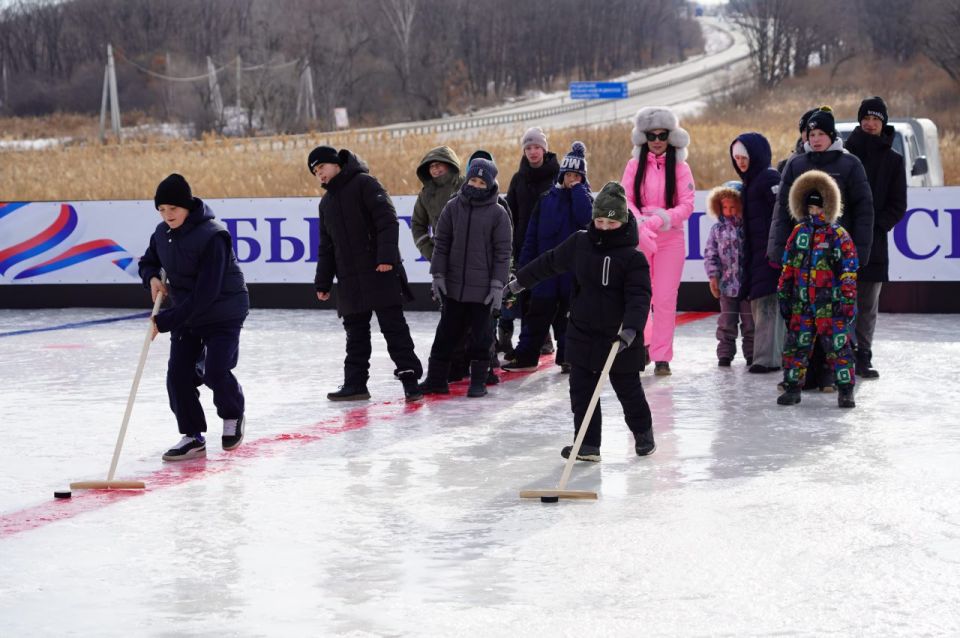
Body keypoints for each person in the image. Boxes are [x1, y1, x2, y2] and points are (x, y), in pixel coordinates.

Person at [506, 182, 654, 461]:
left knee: (629, 391)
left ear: (622, 221)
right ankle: (587, 444)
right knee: (582, 392)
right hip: (583, 332)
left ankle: (643, 432)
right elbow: (548, 262)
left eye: (611, 222)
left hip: (620, 337)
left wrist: (632, 330)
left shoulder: (633, 258)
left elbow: (639, 296)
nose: (605, 227)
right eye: (600, 221)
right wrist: (519, 282)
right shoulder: (580, 243)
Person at [138, 173, 249, 461]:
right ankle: (192, 436)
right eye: (161, 210)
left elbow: (207, 292)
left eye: (173, 209)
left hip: (223, 310)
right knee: (177, 375)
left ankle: (233, 415)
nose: (167, 215)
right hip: (188, 312)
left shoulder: (214, 236)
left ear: (187, 206)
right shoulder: (162, 234)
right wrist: (150, 276)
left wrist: (164, 321)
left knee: (215, 370)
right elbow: (149, 260)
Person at [767, 107, 873, 393]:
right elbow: (782, 212)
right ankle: (804, 376)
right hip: (803, 254)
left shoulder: (849, 164)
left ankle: (831, 376)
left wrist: (860, 251)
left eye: (821, 134)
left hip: (835, 256)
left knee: (834, 319)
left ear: (831, 136)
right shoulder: (795, 164)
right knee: (802, 321)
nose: (815, 139)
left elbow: (864, 209)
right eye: (811, 134)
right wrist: (778, 249)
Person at [310, 145, 423, 403]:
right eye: (315, 172)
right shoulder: (326, 203)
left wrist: (386, 258)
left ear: (336, 164)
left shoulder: (365, 183)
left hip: (379, 272)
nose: (320, 175)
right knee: (355, 335)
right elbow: (326, 246)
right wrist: (323, 281)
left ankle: (410, 381)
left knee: (394, 329)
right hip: (350, 279)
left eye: (322, 168)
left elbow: (387, 220)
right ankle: (355, 384)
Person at [417, 158, 513, 398]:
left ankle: (478, 381)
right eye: (473, 179)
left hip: (482, 291)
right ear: (467, 179)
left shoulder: (498, 213)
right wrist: (437, 274)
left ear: (490, 184)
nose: (477, 185)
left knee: (481, 338)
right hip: (454, 287)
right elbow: (441, 244)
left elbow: (503, 253)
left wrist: (497, 285)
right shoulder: (453, 207)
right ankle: (437, 379)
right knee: (445, 335)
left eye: (482, 182)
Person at [503, 141, 593, 373]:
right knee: (536, 316)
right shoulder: (547, 199)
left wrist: (578, 191)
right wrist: (525, 268)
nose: (572, 178)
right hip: (545, 272)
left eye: (577, 175)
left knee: (569, 319)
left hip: (571, 274)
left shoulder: (584, 198)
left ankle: (568, 357)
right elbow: (532, 236)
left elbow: (586, 219)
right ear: (561, 175)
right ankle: (526, 356)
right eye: (569, 174)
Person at [619, 106, 696, 376]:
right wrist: (639, 220)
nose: (657, 141)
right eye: (652, 136)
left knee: (664, 298)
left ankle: (662, 356)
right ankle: (643, 346)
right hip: (640, 237)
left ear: (670, 136)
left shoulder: (681, 167)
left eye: (662, 135)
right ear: (644, 138)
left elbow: (687, 204)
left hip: (670, 238)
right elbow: (625, 198)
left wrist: (661, 218)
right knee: (640, 296)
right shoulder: (633, 166)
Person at [777, 170, 858, 408]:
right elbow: (788, 266)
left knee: (838, 347)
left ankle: (845, 390)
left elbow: (849, 269)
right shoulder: (799, 232)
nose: (815, 213)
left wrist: (847, 298)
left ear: (828, 206)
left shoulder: (838, 235)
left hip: (830, 304)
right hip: (802, 303)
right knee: (795, 346)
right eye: (811, 208)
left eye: (819, 208)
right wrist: (784, 294)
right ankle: (792, 387)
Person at [843, 97, 907, 379]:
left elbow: (898, 205)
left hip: (876, 244)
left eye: (876, 119)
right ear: (860, 121)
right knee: (842, 301)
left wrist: (875, 227)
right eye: (866, 119)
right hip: (843, 241)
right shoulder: (845, 154)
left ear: (883, 123)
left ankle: (863, 356)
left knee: (867, 304)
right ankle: (840, 354)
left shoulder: (894, 160)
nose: (870, 124)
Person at [730, 133, 784, 374]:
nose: (741, 162)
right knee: (761, 304)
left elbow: (782, 215)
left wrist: (776, 252)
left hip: (770, 255)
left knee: (768, 305)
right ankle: (767, 356)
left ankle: (767, 359)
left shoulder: (769, 178)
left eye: (745, 157)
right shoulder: (750, 183)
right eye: (737, 158)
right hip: (756, 255)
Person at [505, 127, 561, 357]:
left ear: (544, 149)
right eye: (528, 148)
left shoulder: (558, 176)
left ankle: (554, 341)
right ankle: (531, 342)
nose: (533, 152)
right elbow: (510, 213)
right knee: (526, 295)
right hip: (524, 247)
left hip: (551, 246)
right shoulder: (518, 179)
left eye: (537, 147)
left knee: (551, 295)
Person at [704, 180, 754, 367]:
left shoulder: (748, 229)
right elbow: (711, 254)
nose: (729, 211)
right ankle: (725, 354)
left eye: (734, 207)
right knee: (726, 322)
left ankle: (752, 353)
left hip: (747, 286)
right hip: (726, 286)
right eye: (725, 207)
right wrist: (713, 276)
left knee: (750, 324)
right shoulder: (717, 229)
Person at [410, 145, 464, 261]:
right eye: (431, 166)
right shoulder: (425, 194)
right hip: (442, 258)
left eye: (438, 164)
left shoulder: (466, 185)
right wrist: (430, 252)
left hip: (471, 255)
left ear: (449, 164)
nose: (435, 169)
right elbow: (417, 224)